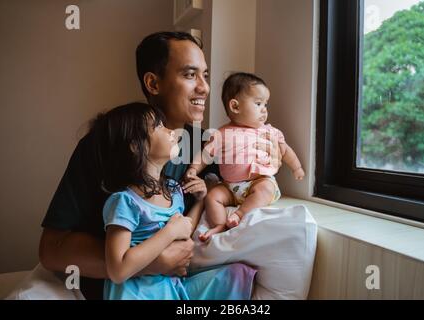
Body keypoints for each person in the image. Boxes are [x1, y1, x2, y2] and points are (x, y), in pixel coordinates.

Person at [39, 32, 268, 299]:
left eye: (205, 75)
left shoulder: (209, 146)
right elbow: (51, 248)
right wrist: (150, 263)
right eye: (190, 75)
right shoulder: (106, 145)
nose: (204, 88)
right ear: (153, 83)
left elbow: (243, 190)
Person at [88, 102, 254, 300]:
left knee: (238, 274)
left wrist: (202, 199)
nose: (171, 131)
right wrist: (170, 231)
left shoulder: (173, 189)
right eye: (158, 126)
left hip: (170, 286)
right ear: (135, 146)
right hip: (135, 293)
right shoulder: (124, 202)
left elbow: (184, 227)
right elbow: (117, 270)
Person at [186, 72, 305, 242]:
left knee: (265, 189)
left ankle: (239, 214)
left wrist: (297, 167)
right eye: (258, 103)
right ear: (235, 107)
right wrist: (193, 168)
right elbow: (205, 155)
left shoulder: (269, 131)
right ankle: (219, 225)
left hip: (258, 181)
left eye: (265, 104)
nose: (264, 109)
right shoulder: (221, 134)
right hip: (229, 187)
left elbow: (284, 150)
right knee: (213, 196)